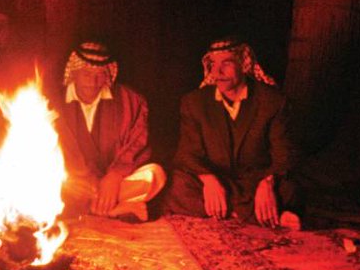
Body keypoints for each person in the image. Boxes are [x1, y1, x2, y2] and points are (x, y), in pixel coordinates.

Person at [164, 37, 300, 228]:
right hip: (217, 181)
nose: (217, 72)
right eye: (212, 64)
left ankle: (229, 210)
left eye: (226, 63)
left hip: (255, 182)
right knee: (179, 184)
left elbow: (284, 156)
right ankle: (260, 214)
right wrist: (208, 179)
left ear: (244, 63)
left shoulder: (272, 101)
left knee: (288, 187)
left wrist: (267, 183)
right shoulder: (194, 103)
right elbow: (186, 154)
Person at [55, 41, 166, 221]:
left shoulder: (130, 100)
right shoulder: (52, 102)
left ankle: (94, 207)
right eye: (87, 74)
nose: (93, 82)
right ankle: (113, 209)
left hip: (116, 184)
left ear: (109, 74)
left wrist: (114, 176)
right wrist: (84, 179)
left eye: (100, 75)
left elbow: (138, 142)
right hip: (73, 183)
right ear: (73, 71)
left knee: (155, 174)